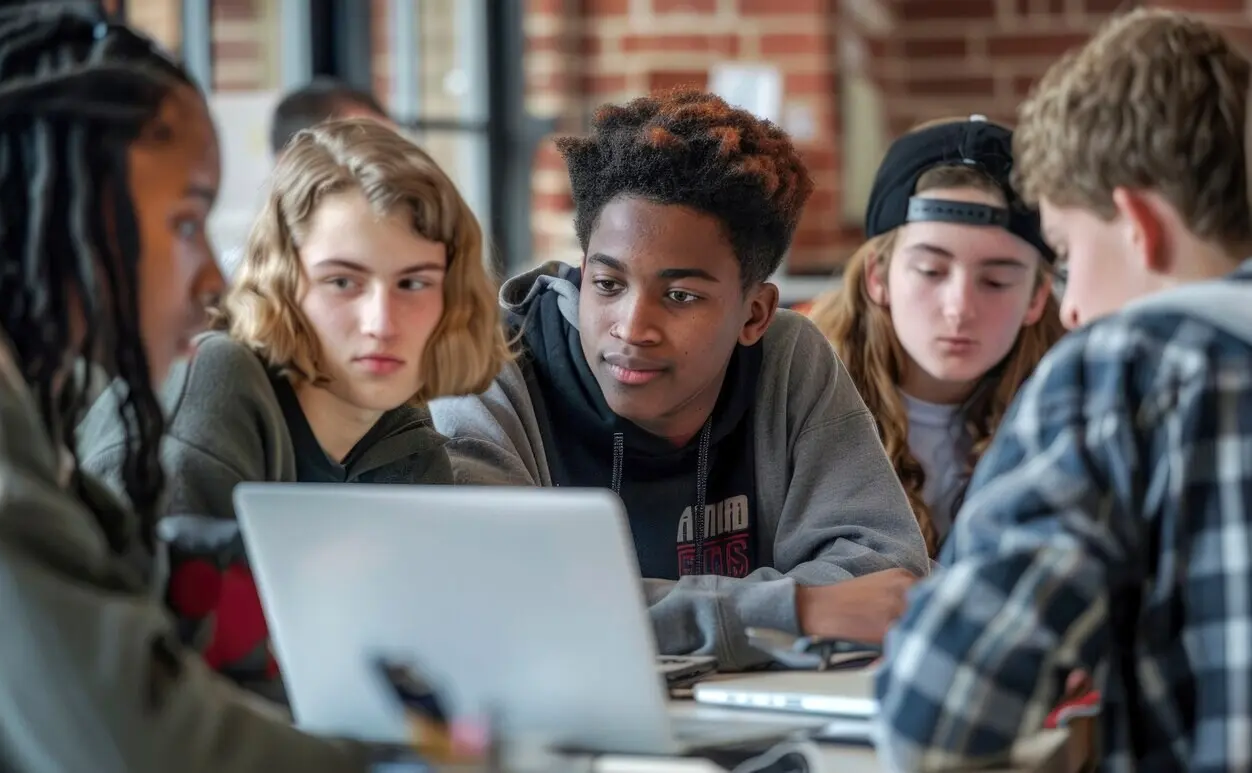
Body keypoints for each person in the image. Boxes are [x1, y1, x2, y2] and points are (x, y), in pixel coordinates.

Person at [0, 7, 370, 772]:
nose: (210, 274)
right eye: (185, 221)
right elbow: (128, 741)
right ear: (66, 203)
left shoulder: (17, 375)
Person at [430, 89, 930, 670]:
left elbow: (882, 578)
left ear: (754, 315)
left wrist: (638, 617)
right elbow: (505, 602)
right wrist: (797, 610)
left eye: (680, 295)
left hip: (757, 720)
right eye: (608, 285)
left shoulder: (789, 358)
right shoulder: (491, 368)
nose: (632, 327)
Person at [873, 9, 1252, 771]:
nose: (1073, 305)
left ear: (1138, 225)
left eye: (1068, 253)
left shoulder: (1126, 366)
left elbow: (934, 713)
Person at [77, 117, 510, 701]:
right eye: (342, 283)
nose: (381, 324)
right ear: (286, 285)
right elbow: (157, 686)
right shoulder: (217, 381)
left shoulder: (400, 430)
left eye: (413, 284)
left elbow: (415, 667)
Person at [810, 117, 1064, 557]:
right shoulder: (800, 397)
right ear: (878, 276)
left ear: (1037, 297)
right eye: (931, 271)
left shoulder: (1069, 405)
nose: (959, 307)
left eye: (997, 281)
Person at [218, 79, 397, 279]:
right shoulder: (243, 281)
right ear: (293, 162)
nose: (394, 173)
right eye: (367, 154)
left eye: (397, 155)